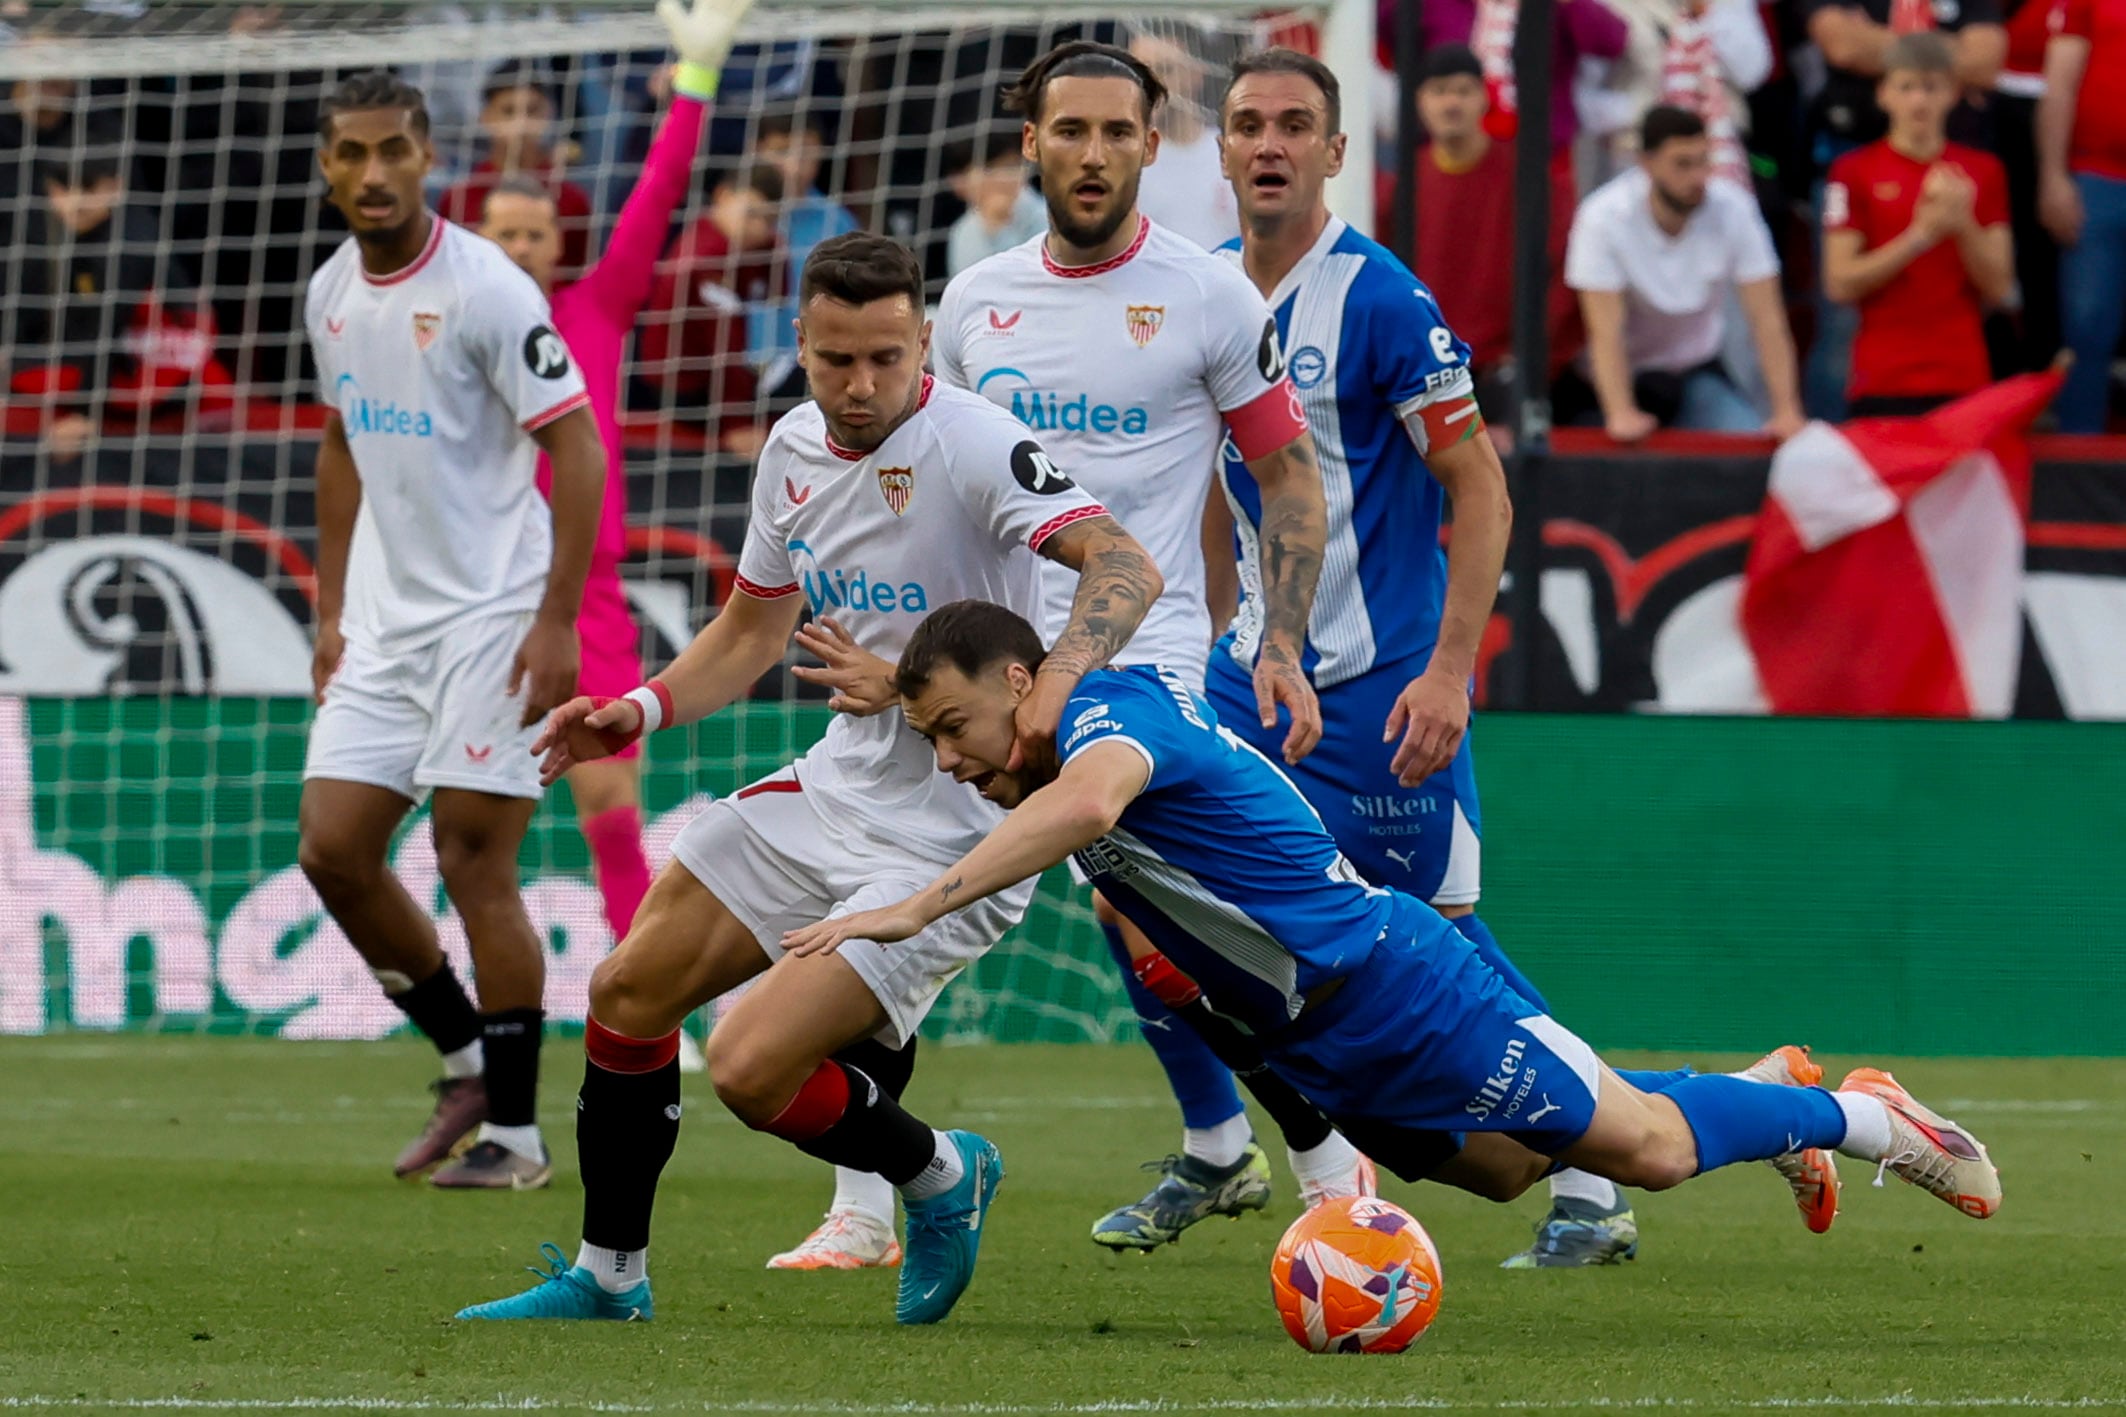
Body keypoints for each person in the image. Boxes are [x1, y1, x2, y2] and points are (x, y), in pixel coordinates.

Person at [782, 599, 2004, 1252]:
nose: (945, 761)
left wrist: (911, 907)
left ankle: (1861, 1118)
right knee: (1510, 1167)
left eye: (947, 729)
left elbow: (1090, 803)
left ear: (1014, 683)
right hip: (1326, 1036)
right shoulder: (1044, 740)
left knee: (1649, 1152)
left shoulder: (1103, 722)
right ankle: (1760, 1092)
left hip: (1390, 983)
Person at [454, 230, 1164, 1327]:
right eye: (836, 359)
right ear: (801, 341)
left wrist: (1024, 695)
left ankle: (938, 1172)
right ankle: (609, 1276)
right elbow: (748, 631)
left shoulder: (974, 443)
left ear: (923, 337)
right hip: (834, 788)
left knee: (747, 1069)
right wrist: (634, 711)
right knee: (623, 994)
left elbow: (1124, 562)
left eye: (886, 355)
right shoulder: (790, 448)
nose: (861, 383)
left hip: (952, 825)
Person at [1206, 45, 1741, 1270]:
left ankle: (1612, 1166)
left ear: (1338, 152)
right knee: (1203, 929)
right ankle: (1278, 1164)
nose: (1270, 143)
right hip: (1248, 682)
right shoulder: (1207, 300)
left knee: (1448, 950)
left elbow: (1479, 487)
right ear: (1223, 149)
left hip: (1377, 695)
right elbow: (1218, 495)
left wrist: (1447, 670)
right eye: (1248, 124)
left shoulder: (1381, 299)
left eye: (1296, 123)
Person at [922, 38, 1347, 1258]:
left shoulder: (1212, 298)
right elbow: (951, 487)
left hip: (1146, 654)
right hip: (1004, 669)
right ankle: (1224, 1150)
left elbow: (1286, 479)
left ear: (1150, 149)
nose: (1094, 152)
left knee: (1175, 913)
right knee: (1135, 918)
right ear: (1031, 145)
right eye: (1071, 131)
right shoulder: (973, 300)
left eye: (1117, 132)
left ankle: (1322, 1165)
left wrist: (1277, 639)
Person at [297, 70, 608, 1190]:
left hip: (494, 616)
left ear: (427, 157)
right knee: (332, 850)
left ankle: (517, 1138)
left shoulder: (486, 288)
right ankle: (467, 1056)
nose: (371, 173)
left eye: (391, 150)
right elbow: (339, 443)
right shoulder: (332, 292)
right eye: (349, 154)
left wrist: (556, 618)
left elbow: (576, 446)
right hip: (384, 626)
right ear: (327, 165)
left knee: (473, 859)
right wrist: (331, 609)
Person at [476, 0, 737, 953]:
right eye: (502, 234)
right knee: (465, 817)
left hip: (582, 592)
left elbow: (661, 191)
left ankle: (641, 1004)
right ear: (475, 241)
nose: (519, 249)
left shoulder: (595, 313)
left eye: (534, 234)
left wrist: (695, 84)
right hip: (473, 588)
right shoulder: (444, 331)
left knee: (611, 809)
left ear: (555, 241)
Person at [1797, 0, 2006, 419]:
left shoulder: (1981, 173)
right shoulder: (1853, 171)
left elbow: (2000, 288)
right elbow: (1839, 283)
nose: (1918, 102)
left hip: (1960, 373)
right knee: (1835, 335)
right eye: (1907, 87)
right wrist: (1921, 235)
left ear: (1952, 93)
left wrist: (1961, 223)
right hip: (1882, 374)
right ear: (1884, 93)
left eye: (1930, 87)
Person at [1564, 105, 1806, 440]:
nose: (1698, 177)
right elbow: (1606, 330)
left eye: (1704, 161)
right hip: (1609, 381)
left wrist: (1786, 410)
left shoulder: (1733, 208)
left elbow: (1767, 319)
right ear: (1646, 163)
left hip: (1693, 373)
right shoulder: (1603, 217)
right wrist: (1620, 412)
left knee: (1746, 442)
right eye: (1682, 164)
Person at [6, 144, 233, 462]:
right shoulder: (91, 232)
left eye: (87, 189)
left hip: (161, 367)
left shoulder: (127, 245)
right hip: (131, 353)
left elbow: (104, 334)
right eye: (63, 190)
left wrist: (83, 418)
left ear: (116, 186)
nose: (74, 203)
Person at [1407, 45, 1581, 446]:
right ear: (1419, 102)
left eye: (1464, 90)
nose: (1452, 102)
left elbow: (1562, 270)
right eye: (1439, 91)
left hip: (1510, 368)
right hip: (1425, 369)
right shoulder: (1401, 188)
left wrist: (1534, 350)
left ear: (1485, 98)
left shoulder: (1529, 178)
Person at [637, 162, 784, 455]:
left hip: (722, 378)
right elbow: (723, 349)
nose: (757, 228)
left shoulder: (758, 247)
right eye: (751, 214)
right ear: (722, 196)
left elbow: (774, 300)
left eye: (769, 221)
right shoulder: (706, 257)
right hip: (683, 391)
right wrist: (737, 424)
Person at [2038, 0, 2126, 432]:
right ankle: (2078, 459)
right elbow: (2059, 86)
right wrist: (2053, 175)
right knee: (2087, 327)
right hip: (2099, 177)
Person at [439, 61, 595, 280]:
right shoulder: (458, 198)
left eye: (532, 111)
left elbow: (577, 277)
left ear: (548, 114)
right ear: (486, 117)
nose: (521, 123)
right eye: (508, 111)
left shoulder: (572, 199)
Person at [749, 110, 860, 393]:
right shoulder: (729, 216)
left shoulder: (837, 223)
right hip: (730, 372)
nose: (795, 166)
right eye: (782, 152)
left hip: (806, 374)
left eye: (807, 154)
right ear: (756, 150)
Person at [1127, 25, 1242, 249]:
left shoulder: (1235, 153)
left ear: (1195, 75)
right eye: (1138, 75)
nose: (1149, 87)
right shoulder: (1121, 161)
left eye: (1164, 70)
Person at [944, 130, 1047, 277]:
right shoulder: (963, 231)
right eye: (991, 168)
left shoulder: (1046, 215)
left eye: (1011, 166)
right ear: (959, 182)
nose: (1003, 178)